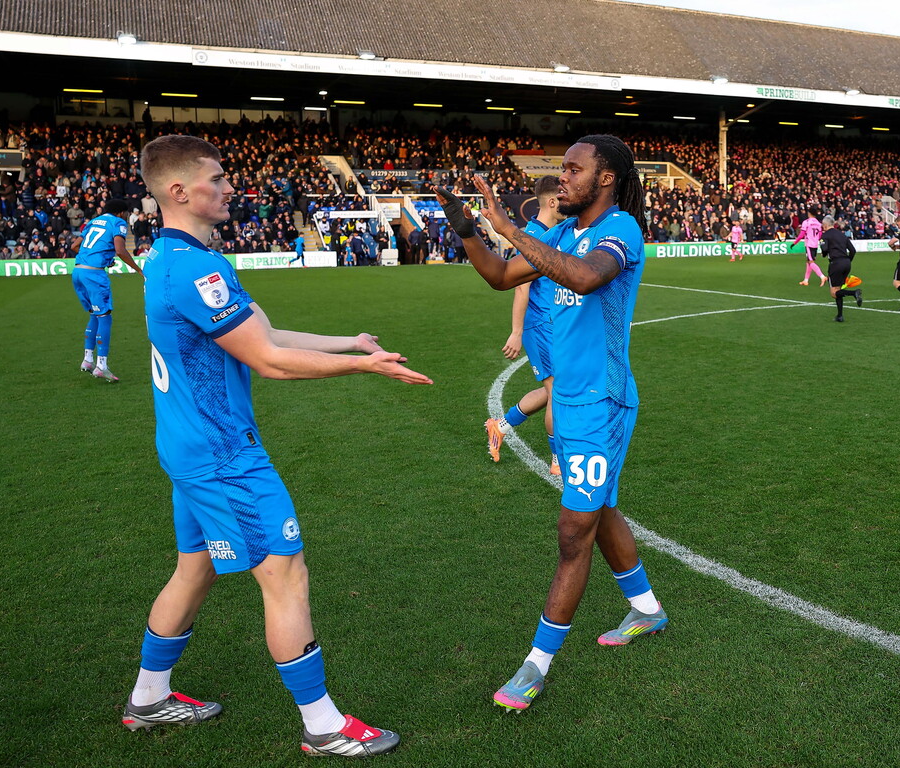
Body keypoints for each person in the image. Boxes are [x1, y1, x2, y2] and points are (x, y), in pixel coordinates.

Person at [125, 135, 432, 756]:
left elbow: (262, 332)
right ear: (179, 190)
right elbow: (268, 360)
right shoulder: (194, 269)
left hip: (188, 447)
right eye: (217, 178)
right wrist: (365, 368)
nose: (229, 187)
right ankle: (323, 726)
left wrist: (349, 342)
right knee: (286, 575)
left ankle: (148, 697)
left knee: (195, 567)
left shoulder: (173, 257)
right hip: (222, 455)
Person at [435, 134, 667, 713]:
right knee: (597, 509)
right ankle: (646, 608)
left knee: (572, 531)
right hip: (569, 400)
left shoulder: (620, 231)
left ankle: (536, 664)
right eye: (561, 169)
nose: (562, 177)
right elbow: (499, 275)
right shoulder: (561, 233)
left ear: (606, 178)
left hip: (601, 402)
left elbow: (585, 278)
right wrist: (466, 228)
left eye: (573, 169)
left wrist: (510, 229)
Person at [485, 175, 565, 475]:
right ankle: (558, 460)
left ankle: (501, 425)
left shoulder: (554, 232)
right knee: (557, 392)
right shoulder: (532, 237)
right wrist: (517, 332)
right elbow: (521, 288)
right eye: (563, 198)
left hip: (555, 323)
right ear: (552, 202)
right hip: (540, 326)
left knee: (559, 387)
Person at [70, 198, 143, 382]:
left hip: (78, 271)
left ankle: (88, 359)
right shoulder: (118, 223)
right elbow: (120, 250)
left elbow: (74, 246)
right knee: (104, 317)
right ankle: (101, 366)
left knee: (95, 314)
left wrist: (99, 258)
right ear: (121, 212)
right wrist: (139, 270)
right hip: (94, 275)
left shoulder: (93, 221)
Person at [820, 216, 861, 322]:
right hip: (846, 263)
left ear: (825, 225)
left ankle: (854, 293)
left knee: (834, 292)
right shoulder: (842, 234)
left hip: (835, 263)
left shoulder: (825, 235)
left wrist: (824, 253)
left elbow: (824, 249)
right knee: (838, 289)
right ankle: (840, 315)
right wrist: (847, 261)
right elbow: (853, 250)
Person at [791, 206, 826, 285]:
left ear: (809, 213)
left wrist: (795, 242)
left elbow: (801, 234)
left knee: (811, 262)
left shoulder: (806, 222)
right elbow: (820, 235)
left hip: (809, 244)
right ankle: (806, 280)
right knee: (808, 262)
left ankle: (822, 276)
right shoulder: (818, 223)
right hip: (815, 245)